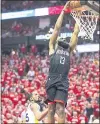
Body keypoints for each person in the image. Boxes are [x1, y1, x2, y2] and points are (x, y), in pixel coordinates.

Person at [45, 1, 80, 123]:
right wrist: (63, 11)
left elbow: (75, 32)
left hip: (63, 80)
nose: (64, 39)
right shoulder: (52, 46)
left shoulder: (69, 49)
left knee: (60, 109)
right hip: (52, 78)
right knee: (50, 109)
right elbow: (56, 28)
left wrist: (78, 17)